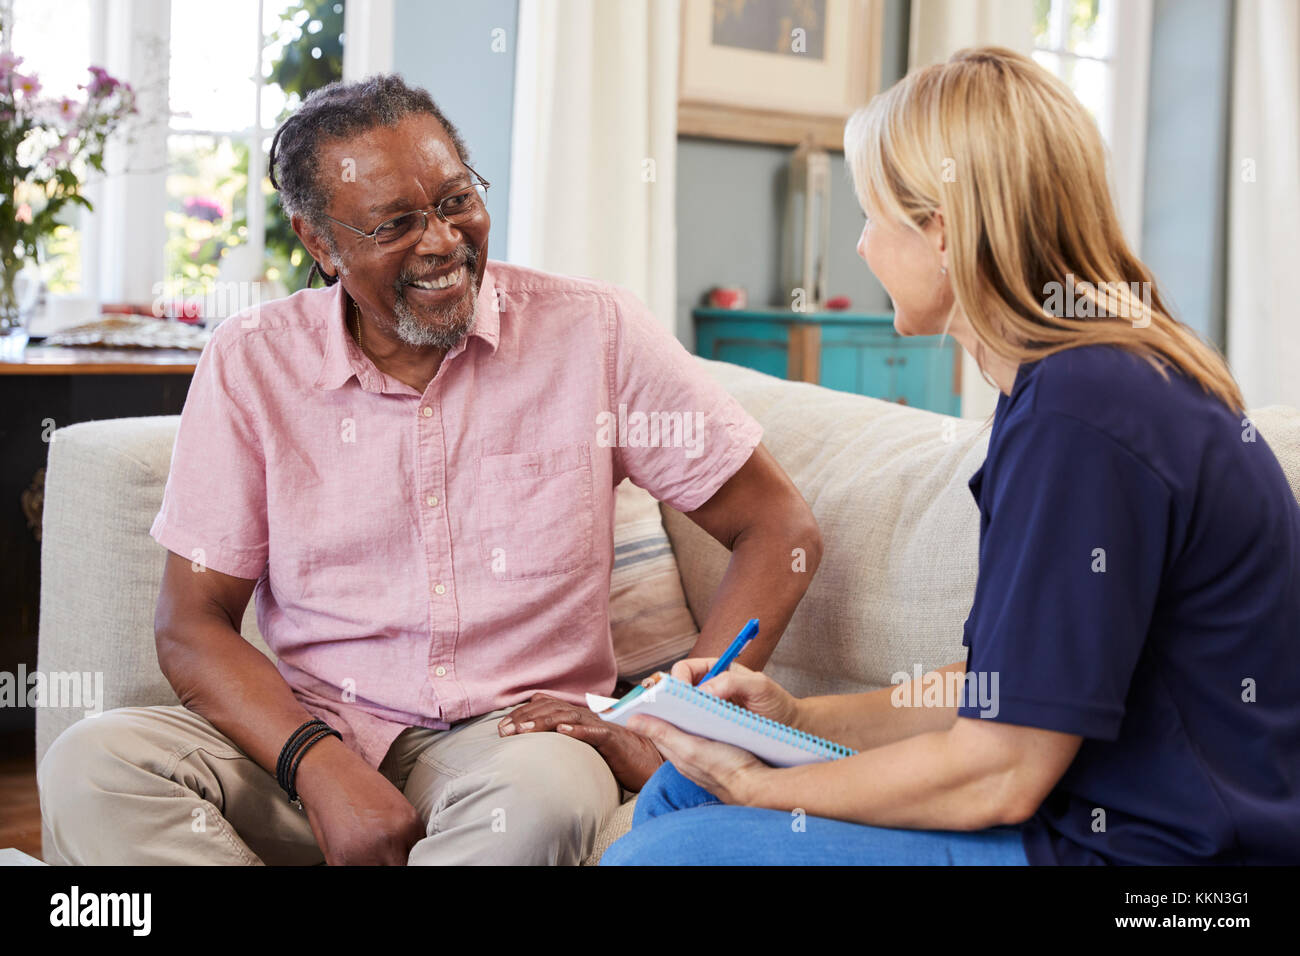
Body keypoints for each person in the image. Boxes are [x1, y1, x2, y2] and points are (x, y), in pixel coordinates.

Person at [37, 75, 823, 866]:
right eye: (395, 224)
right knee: (93, 765)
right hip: (310, 730)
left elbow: (777, 526)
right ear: (319, 243)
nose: (444, 242)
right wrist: (318, 765)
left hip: (513, 741)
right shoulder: (252, 362)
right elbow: (192, 621)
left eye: (455, 202)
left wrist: (667, 712)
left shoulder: (595, 333)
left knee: (542, 803)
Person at [601, 47, 1300, 866]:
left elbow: (999, 774)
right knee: (683, 790)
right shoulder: (1072, 385)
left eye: (874, 216)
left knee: (665, 855)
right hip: (1087, 815)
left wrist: (762, 787)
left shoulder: (1086, 414)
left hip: (1167, 868)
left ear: (943, 230)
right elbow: (998, 687)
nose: (862, 248)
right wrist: (793, 720)